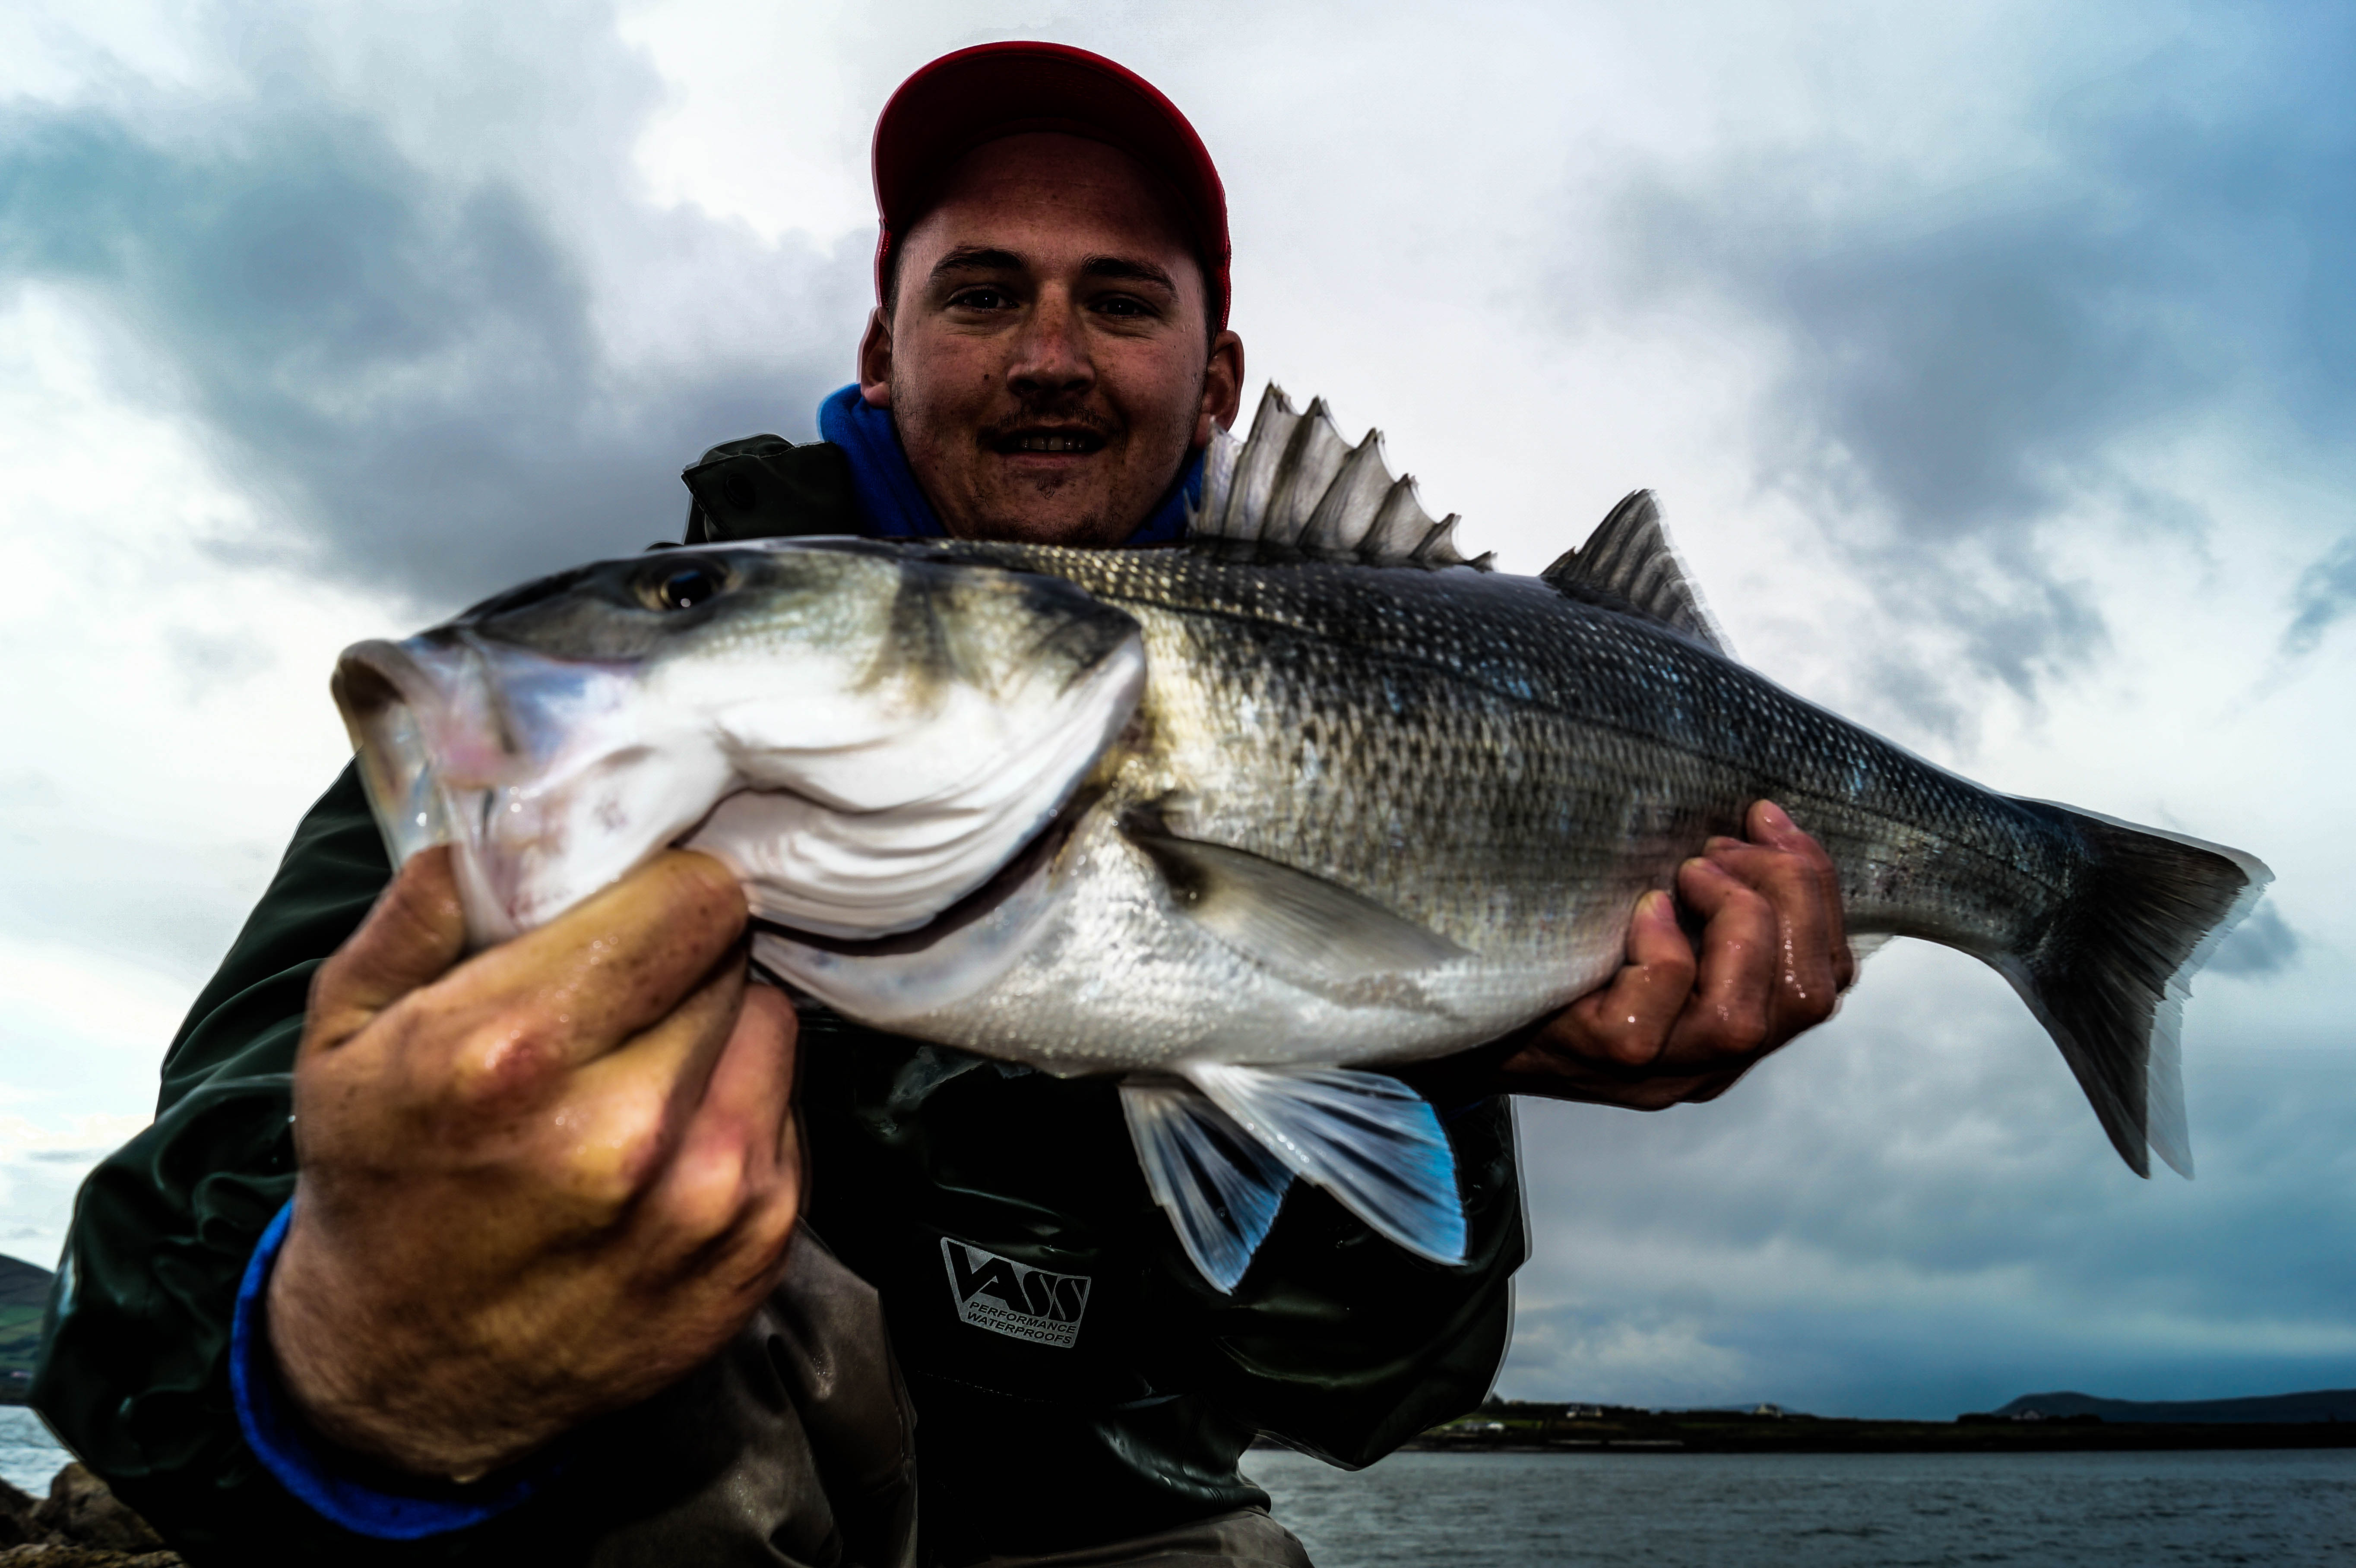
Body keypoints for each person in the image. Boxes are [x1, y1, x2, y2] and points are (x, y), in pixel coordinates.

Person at [34, 42, 1854, 1568]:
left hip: (1112, 1518)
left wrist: (1445, 1042)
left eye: (1119, 300)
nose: (1048, 351)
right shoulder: (630, 712)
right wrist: (353, 1353)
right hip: (639, 1488)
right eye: (980, 294)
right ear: (881, 351)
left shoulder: (1401, 691)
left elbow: (1366, 1394)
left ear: (1215, 382)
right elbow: (146, 1287)